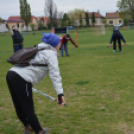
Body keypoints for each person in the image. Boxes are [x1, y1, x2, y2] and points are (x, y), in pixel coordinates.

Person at [6, 33, 66, 134]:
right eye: (59, 42)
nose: (60, 44)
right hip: (22, 78)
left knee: (19, 106)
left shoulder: (38, 49)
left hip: (11, 74)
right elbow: (55, 75)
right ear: (54, 44)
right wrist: (60, 94)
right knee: (27, 107)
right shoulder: (51, 54)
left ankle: (28, 127)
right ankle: (39, 131)